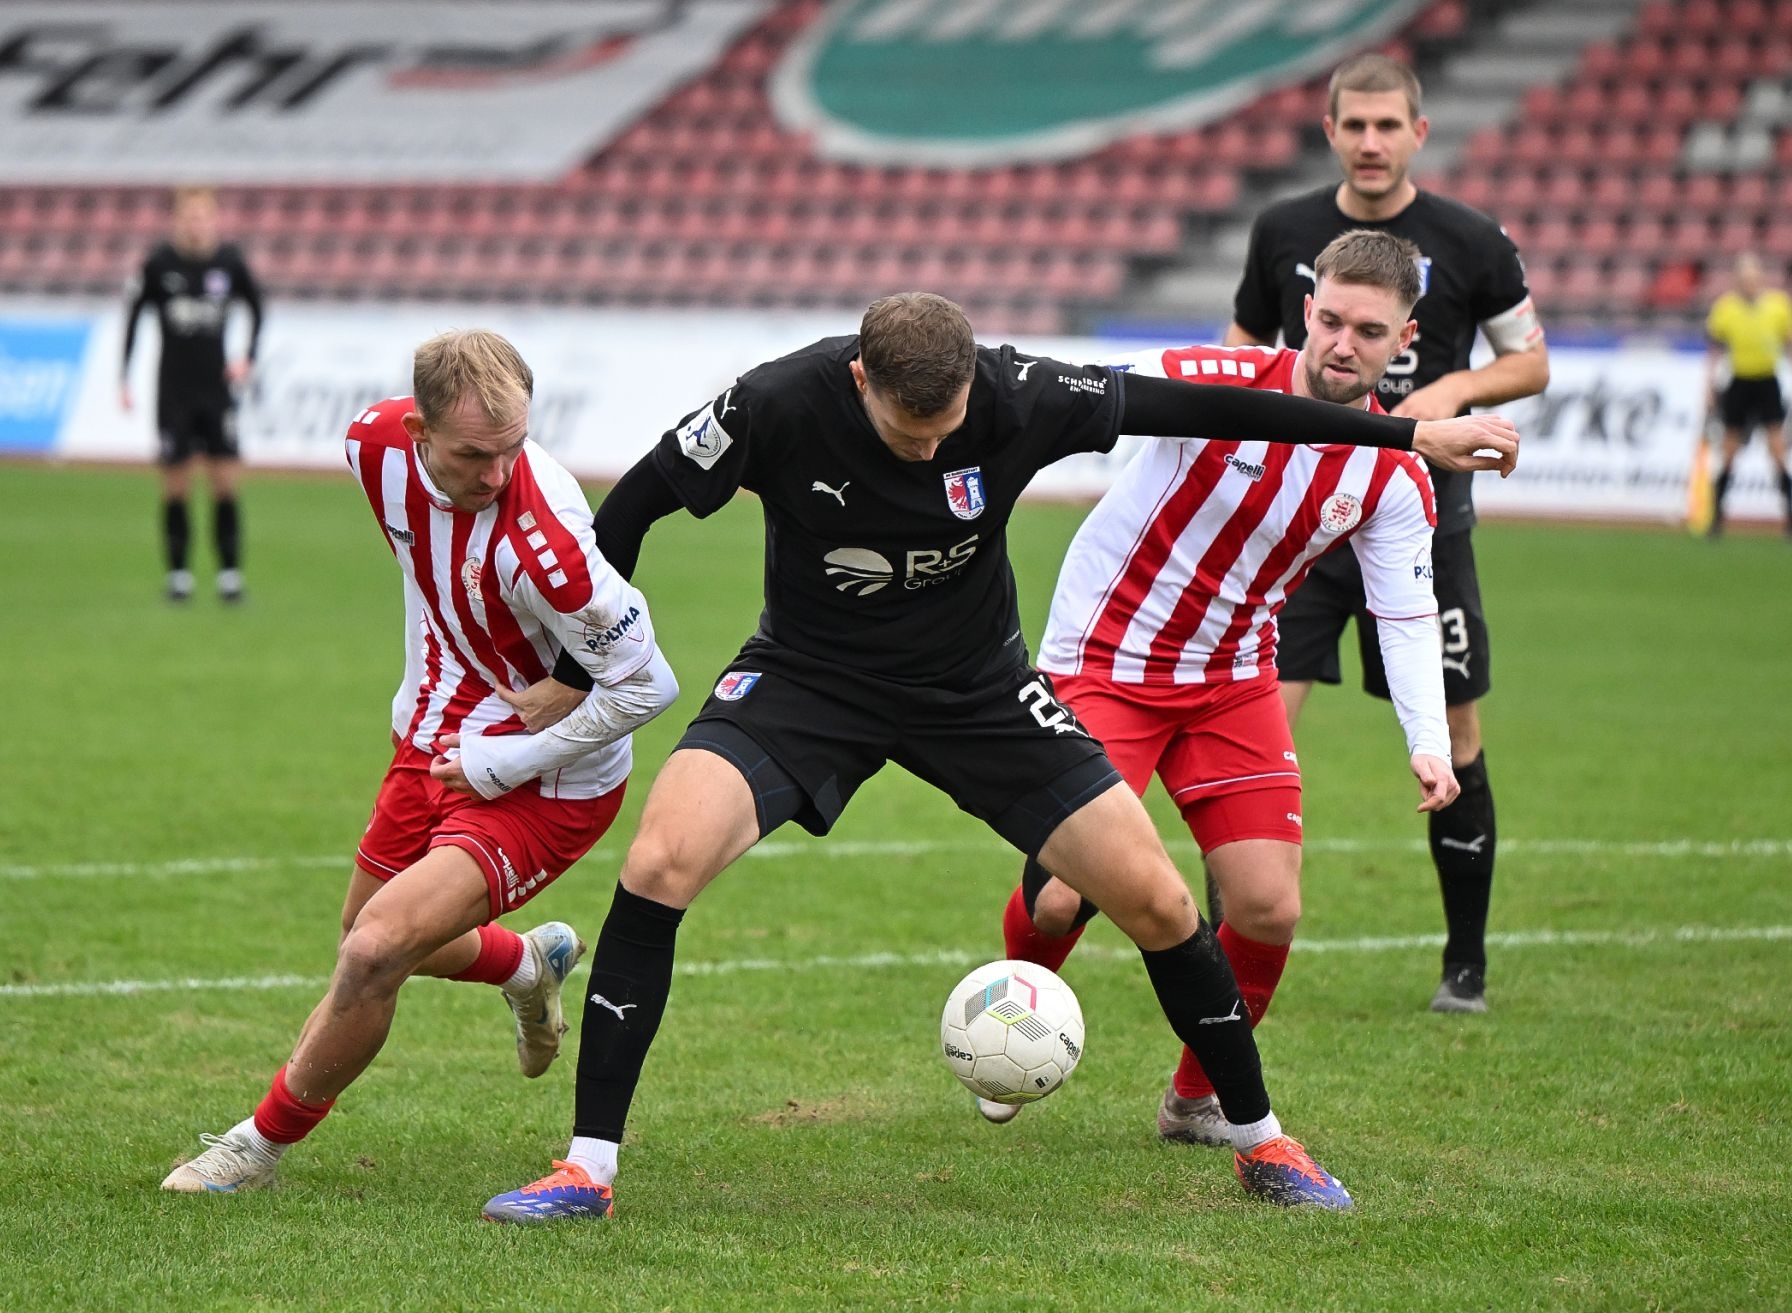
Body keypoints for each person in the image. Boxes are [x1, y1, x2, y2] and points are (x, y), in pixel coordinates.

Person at [477, 292, 1518, 1223]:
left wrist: (1409, 431)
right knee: (658, 861)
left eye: (947, 428)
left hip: (978, 691)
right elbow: (633, 506)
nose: (931, 449)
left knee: (1160, 900)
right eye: (908, 431)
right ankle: (587, 1168)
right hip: (807, 681)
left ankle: (1261, 1140)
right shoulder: (775, 400)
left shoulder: (1019, 390)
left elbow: (1215, 408)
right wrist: (575, 666)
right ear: (861, 380)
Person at [160, 330, 680, 1193]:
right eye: (474, 454)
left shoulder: (546, 543)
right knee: (362, 935)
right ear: (419, 433)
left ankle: (256, 1147)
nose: (497, 473)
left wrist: (512, 757)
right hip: (436, 737)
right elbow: (429, 571)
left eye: (513, 447)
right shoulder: (372, 448)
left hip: (550, 780)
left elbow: (650, 684)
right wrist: (432, 700)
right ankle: (523, 964)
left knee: (373, 951)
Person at [995, 231, 1458, 1143]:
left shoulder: (1395, 473)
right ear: (1306, 310)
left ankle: (1194, 1098)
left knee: (1268, 907)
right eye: (1331, 320)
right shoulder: (1211, 381)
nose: (1342, 344)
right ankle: (1010, 1037)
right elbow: (1082, 394)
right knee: (1059, 897)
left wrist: (1429, 741)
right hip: (1105, 658)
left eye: (1369, 331)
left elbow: (1404, 613)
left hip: (1233, 678)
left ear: (1405, 339)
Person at [1226, 54, 1550, 1014]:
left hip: (1421, 522)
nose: (1371, 142)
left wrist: (1452, 391)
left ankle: (1465, 965)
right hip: (1297, 525)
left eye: (1388, 125)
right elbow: (1242, 353)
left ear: (1419, 133)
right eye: (1355, 125)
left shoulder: (1473, 240)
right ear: (1329, 131)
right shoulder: (1283, 230)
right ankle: (1225, 956)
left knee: (1456, 732)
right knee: (1249, 726)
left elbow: (1530, 362)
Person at [120, 185, 265, 604]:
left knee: (225, 483)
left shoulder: (230, 261)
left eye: (203, 215)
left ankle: (229, 576)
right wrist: (124, 377)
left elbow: (257, 307)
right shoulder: (158, 264)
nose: (196, 223)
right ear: (177, 220)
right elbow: (133, 317)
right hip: (174, 391)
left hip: (217, 390)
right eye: (189, 216)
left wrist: (248, 357)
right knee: (176, 485)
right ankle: (179, 575)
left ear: (214, 219)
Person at [1704, 251, 1792, 535]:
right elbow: (1715, 351)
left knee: (1777, 449)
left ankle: (1789, 513)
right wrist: (1709, 387)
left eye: (1753, 278)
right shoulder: (1725, 309)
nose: (1749, 283)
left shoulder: (1778, 306)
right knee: (1729, 450)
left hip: (1767, 381)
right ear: (1736, 281)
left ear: (1761, 279)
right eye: (1744, 278)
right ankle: (1717, 515)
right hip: (1739, 382)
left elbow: (1788, 344)